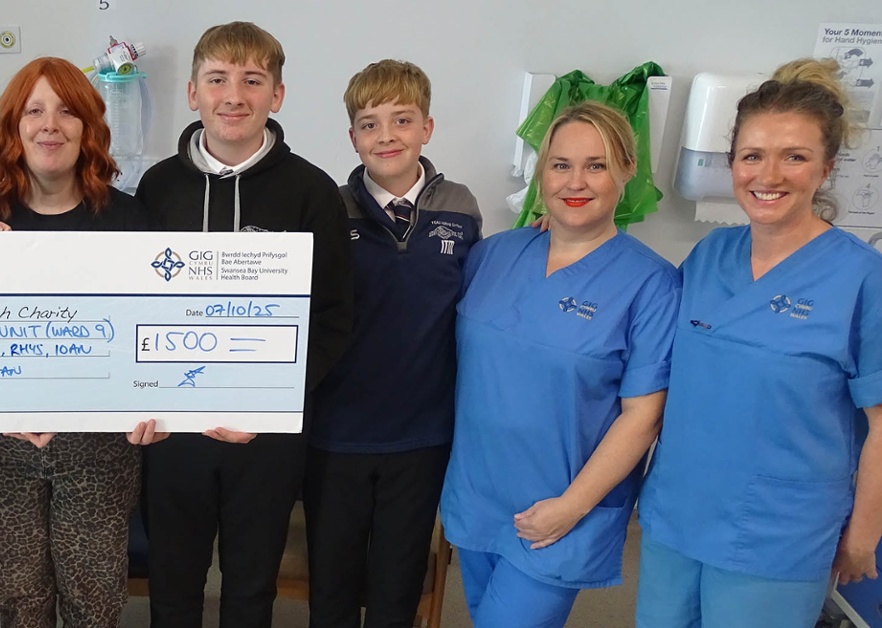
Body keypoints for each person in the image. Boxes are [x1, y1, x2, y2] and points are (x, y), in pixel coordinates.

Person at [636, 58, 882, 627]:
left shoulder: (862, 280)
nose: (768, 175)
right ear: (731, 165)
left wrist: (865, 532)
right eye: (752, 156)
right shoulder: (708, 257)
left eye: (794, 156)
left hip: (778, 533)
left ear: (826, 168)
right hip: (679, 512)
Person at [127, 21, 353, 628]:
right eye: (218, 79)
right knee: (172, 581)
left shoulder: (312, 191)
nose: (234, 95)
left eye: (252, 80)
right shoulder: (156, 187)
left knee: (253, 585)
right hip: (173, 431)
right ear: (193, 93)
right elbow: (130, 306)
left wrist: (272, 401)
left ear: (276, 95)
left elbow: (333, 316)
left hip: (268, 434)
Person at [438, 101, 679, 628]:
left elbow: (644, 416)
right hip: (478, 493)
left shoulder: (651, 284)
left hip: (562, 506)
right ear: (541, 172)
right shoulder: (492, 255)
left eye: (596, 165)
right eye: (561, 164)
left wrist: (572, 506)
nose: (577, 181)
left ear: (625, 171)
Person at [0, 56, 148, 628]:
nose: (50, 125)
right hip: (2, 448)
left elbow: (148, 335)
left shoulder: (130, 221)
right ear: (13, 128)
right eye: (34, 110)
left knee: (94, 600)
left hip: (99, 447)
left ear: (88, 127)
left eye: (67, 111)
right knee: (21, 601)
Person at [304, 59, 480, 628]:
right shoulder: (329, 207)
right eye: (369, 123)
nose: (386, 136)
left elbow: (482, 296)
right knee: (332, 579)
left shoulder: (462, 206)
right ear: (352, 137)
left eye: (401, 120)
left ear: (426, 127)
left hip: (422, 434)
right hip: (337, 430)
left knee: (398, 579)